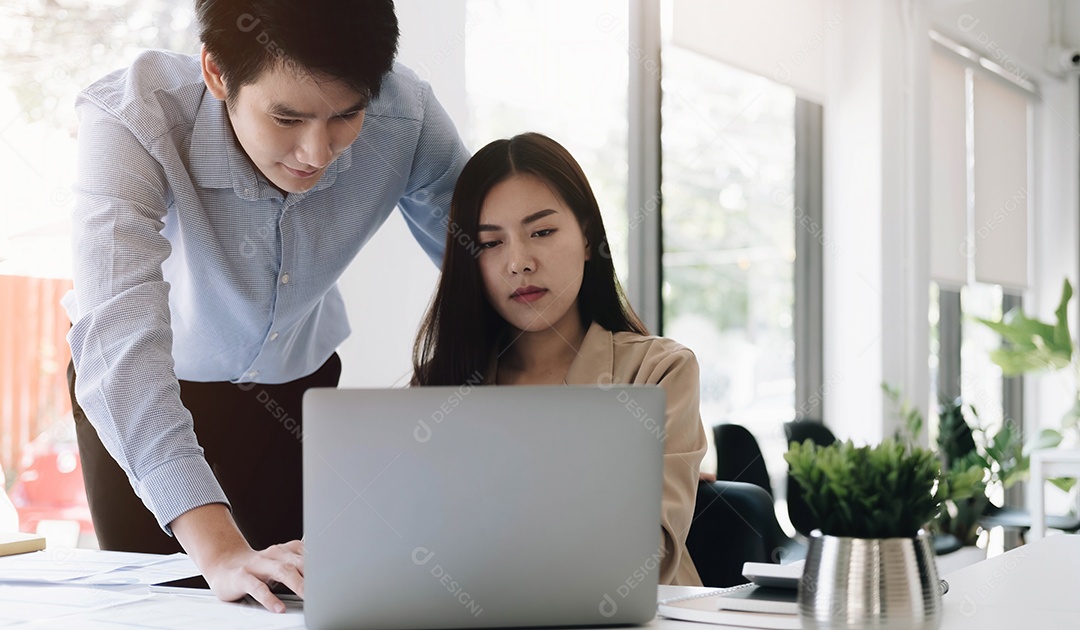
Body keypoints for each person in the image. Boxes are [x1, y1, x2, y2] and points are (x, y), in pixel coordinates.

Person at [64, 0, 468, 612]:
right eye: (287, 116)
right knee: (164, 612)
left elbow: (490, 256)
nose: (317, 150)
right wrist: (221, 550)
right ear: (217, 73)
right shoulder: (134, 118)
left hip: (297, 395)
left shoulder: (405, 114)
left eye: (347, 115)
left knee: (296, 603)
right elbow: (121, 345)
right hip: (149, 392)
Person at [412, 132, 707, 585]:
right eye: (491, 243)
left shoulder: (658, 372)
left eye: (542, 232)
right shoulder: (440, 384)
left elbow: (647, 555)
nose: (519, 262)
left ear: (587, 239)